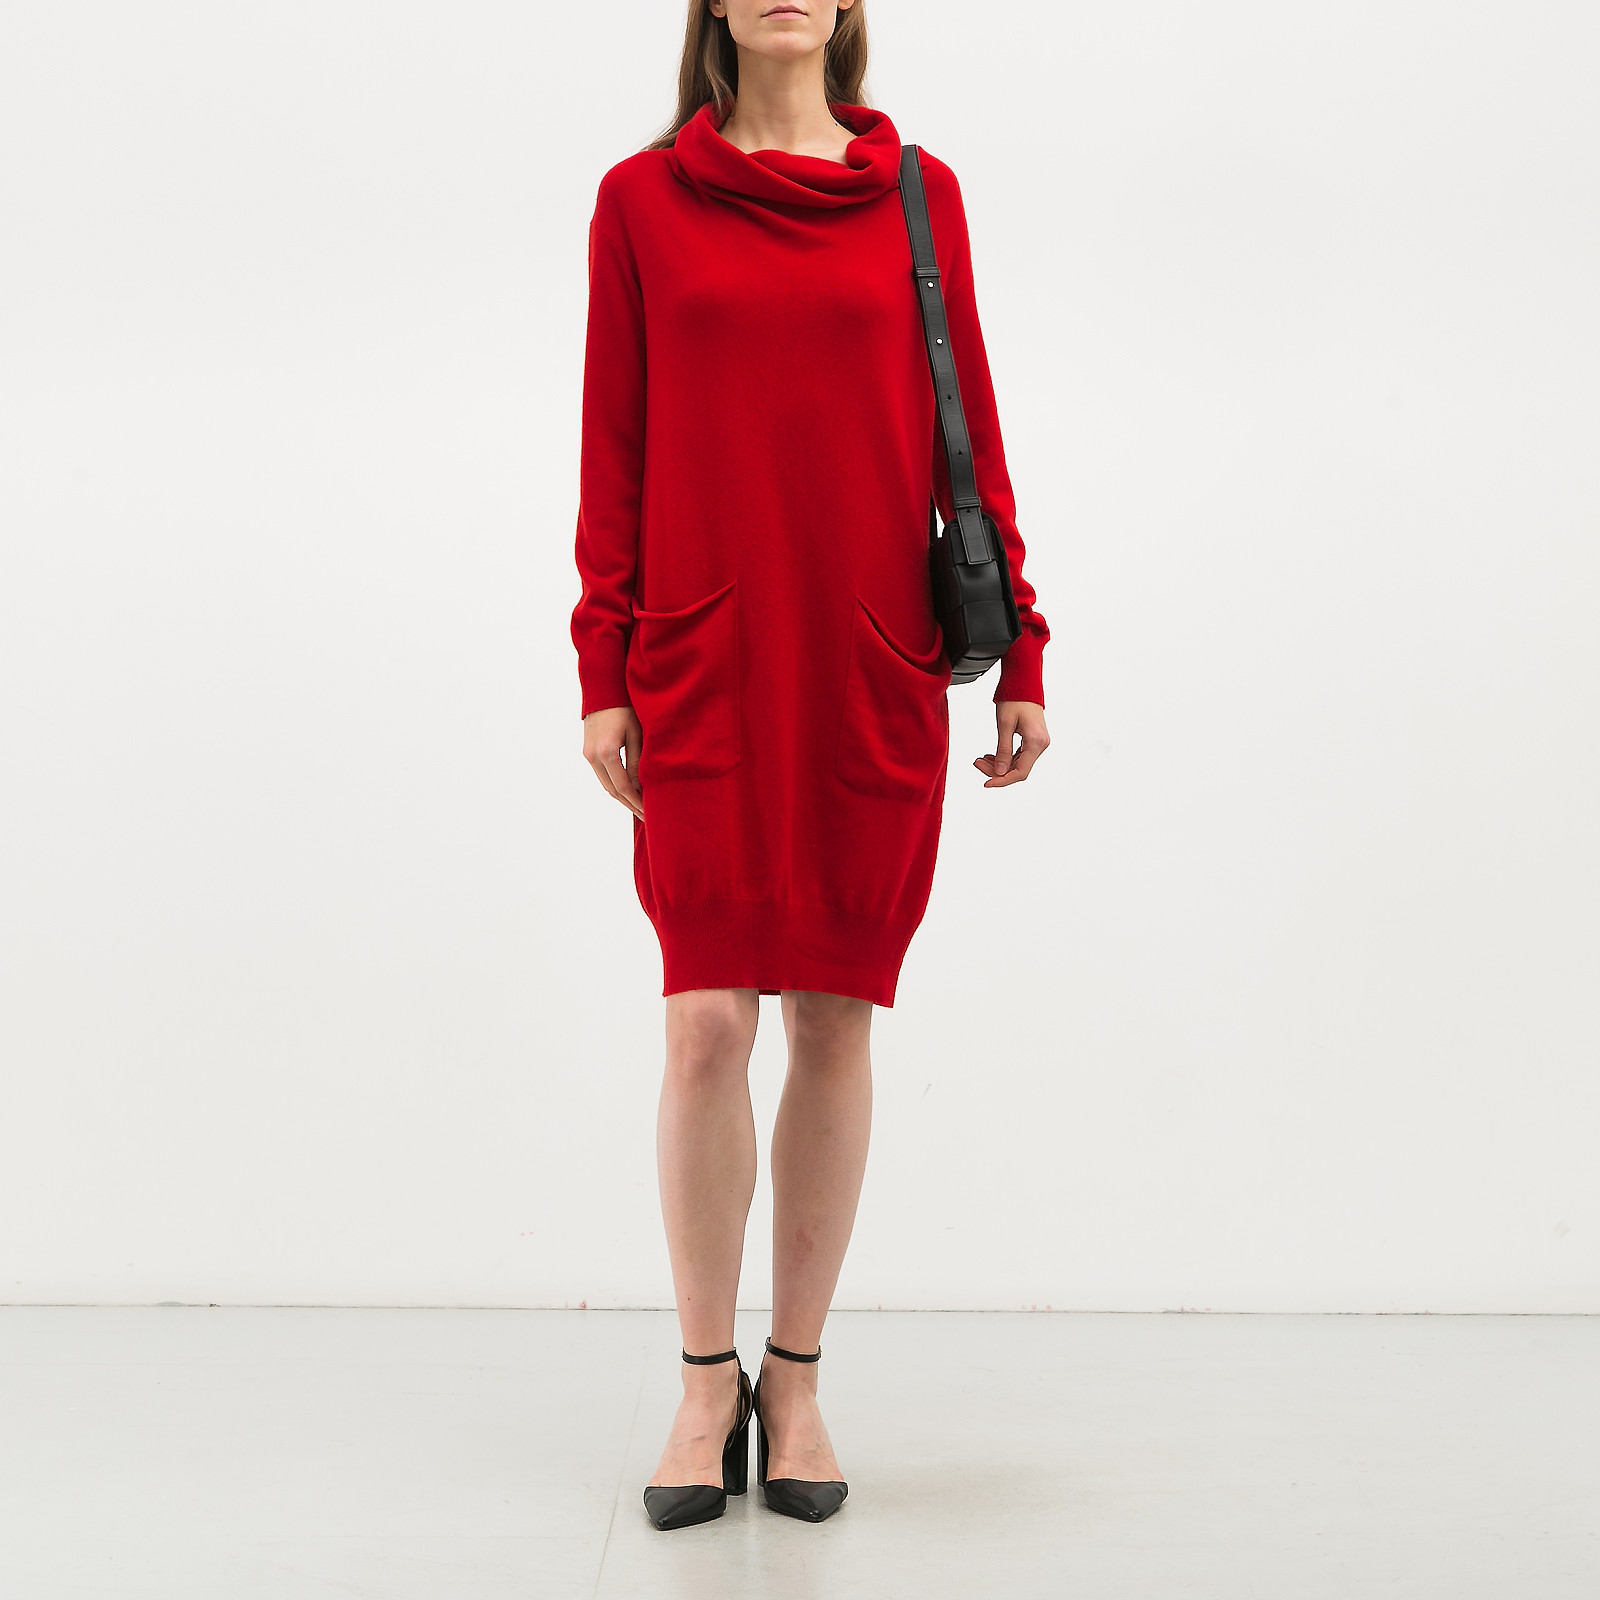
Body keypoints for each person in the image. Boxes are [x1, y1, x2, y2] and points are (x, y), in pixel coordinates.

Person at [570, 0, 1050, 1531]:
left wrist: (1022, 647)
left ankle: (799, 1378)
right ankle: (704, 1383)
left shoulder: (918, 193)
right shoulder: (642, 201)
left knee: (835, 1019)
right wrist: (601, 663)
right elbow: (613, 450)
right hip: (703, 657)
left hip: (865, 657)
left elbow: (969, 434)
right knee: (706, 1024)